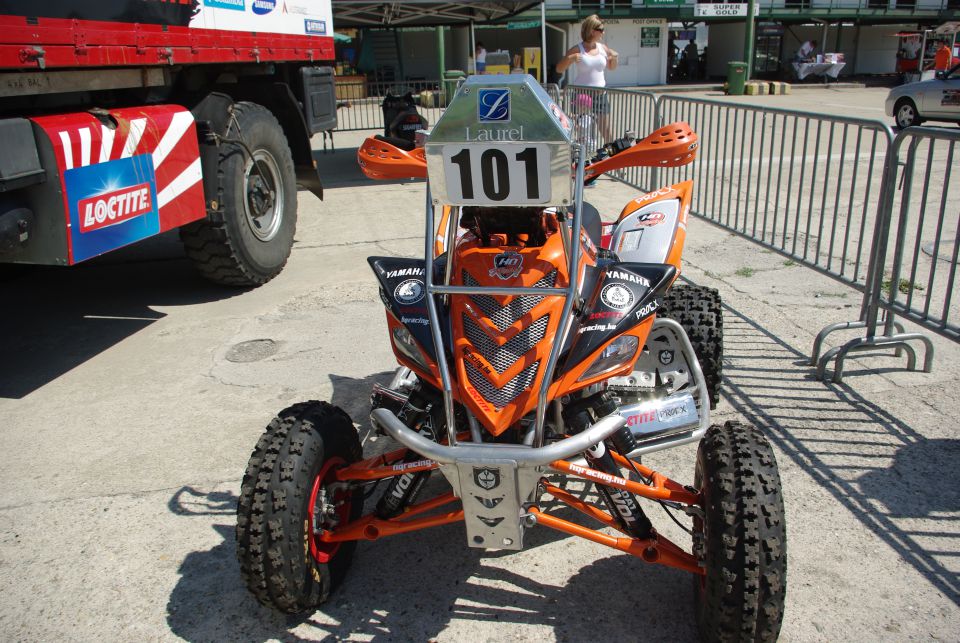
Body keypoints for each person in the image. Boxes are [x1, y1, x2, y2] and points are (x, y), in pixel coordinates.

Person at [555, 14, 619, 144]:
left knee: (606, 131)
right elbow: (559, 69)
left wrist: (615, 58)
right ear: (592, 30)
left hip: (601, 96)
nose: (603, 32)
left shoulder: (603, 48)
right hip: (582, 97)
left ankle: (612, 161)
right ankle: (582, 161)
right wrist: (570, 59)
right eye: (601, 30)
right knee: (583, 134)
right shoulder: (577, 49)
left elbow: (611, 68)